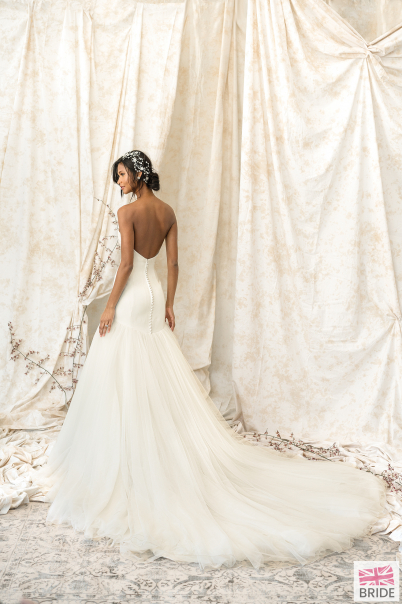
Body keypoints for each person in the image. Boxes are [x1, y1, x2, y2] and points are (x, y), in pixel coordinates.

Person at [39, 150, 387, 571]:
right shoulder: (167, 212)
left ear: (139, 173)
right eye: (117, 177)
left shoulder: (127, 213)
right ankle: (155, 448)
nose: (119, 183)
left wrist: (110, 306)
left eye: (123, 175)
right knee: (150, 371)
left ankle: (129, 455)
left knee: (122, 374)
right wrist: (170, 304)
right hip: (155, 300)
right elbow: (173, 263)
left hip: (132, 301)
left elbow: (127, 264)